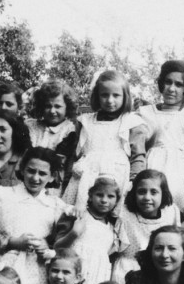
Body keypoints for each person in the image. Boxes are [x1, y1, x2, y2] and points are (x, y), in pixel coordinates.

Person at [0, 147, 75, 284]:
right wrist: (12, 242)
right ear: (22, 170)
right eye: (31, 171)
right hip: (3, 264)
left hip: (36, 270)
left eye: (43, 173)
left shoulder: (55, 205)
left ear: (51, 177)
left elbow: (61, 244)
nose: (35, 178)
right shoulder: (2, 196)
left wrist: (47, 247)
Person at [63, 70, 149, 210]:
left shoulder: (131, 123)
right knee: (79, 213)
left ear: (125, 96)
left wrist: (133, 183)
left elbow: (138, 157)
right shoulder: (85, 122)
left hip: (116, 178)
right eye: (104, 95)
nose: (110, 100)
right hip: (85, 178)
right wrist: (68, 178)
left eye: (116, 95)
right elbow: (74, 155)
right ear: (97, 96)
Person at [139, 60, 184, 208]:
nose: (172, 89)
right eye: (168, 82)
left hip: (181, 170)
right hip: (153, 166)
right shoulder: (147, 112)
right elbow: (139, 146)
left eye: (179, 85)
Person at [54, 177, 127, 284]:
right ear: (90, 195)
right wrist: (74, 233)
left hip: (97, 276)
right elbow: (57, 248)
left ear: (117, 200)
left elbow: (108, 256)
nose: (104, 200)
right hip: (72, 272)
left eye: (110, 196)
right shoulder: (77, 215)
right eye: (99, 195)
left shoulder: (114, 226)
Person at [112, 169, 182, 281]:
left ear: (163, 193)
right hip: (126, 270)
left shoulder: (171, 212)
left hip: (158, 271)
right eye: (141, 192)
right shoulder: (124, 212)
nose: (147, 197)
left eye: (153, 192)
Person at [25, 80, 79, 196]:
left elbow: (63, 164)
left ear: (67, 107)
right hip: (28, 181)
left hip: (53, 187)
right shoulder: (31, 126)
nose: (52, 111)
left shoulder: (69, 131)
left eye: (58, 106)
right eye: (48, 106)